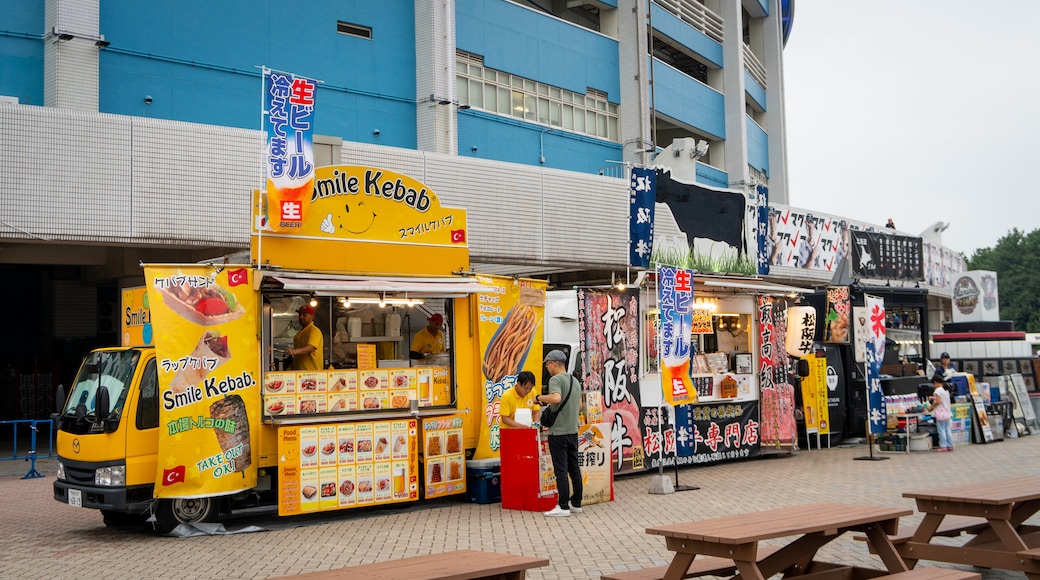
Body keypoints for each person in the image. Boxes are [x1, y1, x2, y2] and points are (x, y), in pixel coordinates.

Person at [537, 350, 582, 517]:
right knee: (574, 469)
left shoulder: (555, 379)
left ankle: (563, 506)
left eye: (547, 364)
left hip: (558, 433)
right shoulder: (575, 380)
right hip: (572, 431)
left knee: (561, 470)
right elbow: (579, 405)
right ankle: (576, 503)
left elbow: (556, 398)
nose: (547, 368)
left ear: (554, 363)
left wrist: (539, 397)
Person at [287, 305, 323, 370]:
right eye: (300, 314)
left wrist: (295, 351)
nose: (301, 317)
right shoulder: (299, 333)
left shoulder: (314, 330)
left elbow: (310, 348)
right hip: (299, 373)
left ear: (312, 316)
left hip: (312, 374)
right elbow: (299, 356)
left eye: (304, 315)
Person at [927, 374, 954, 452]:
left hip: (940, 412)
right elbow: (942, 399)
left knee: (941, 429)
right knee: (947, 428)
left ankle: (943, 445)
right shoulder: (945, 389)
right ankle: (950, 445)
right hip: (947, 411)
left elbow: (938, 401)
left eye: (933, 384)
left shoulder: (938, 390)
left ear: (936, 382)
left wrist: (931, 407)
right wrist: (933, 397)